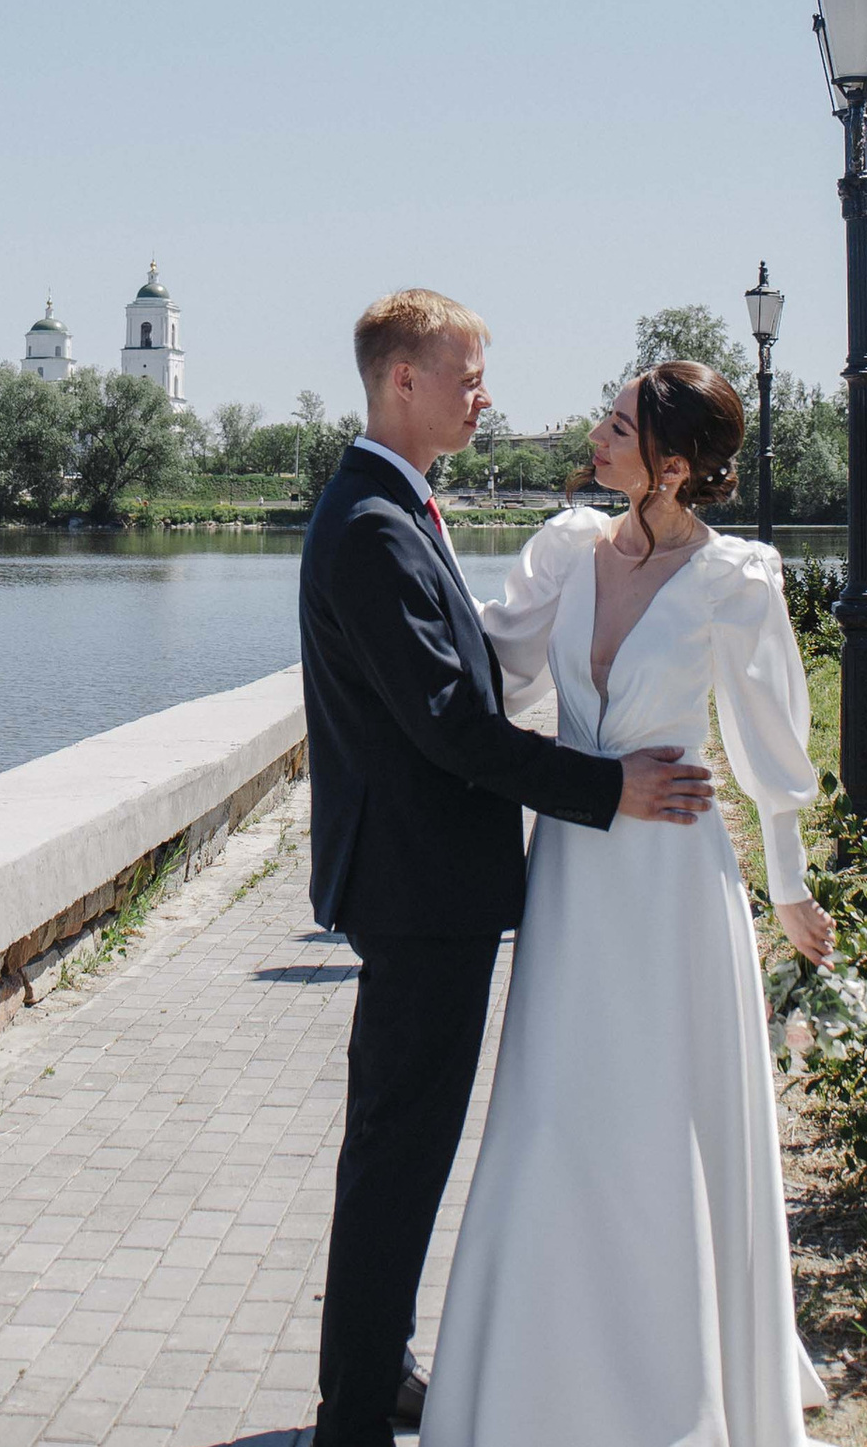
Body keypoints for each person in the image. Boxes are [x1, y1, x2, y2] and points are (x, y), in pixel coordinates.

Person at [298, 292, 717, 1447]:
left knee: (400, 1144)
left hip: (421, 884)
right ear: (402, 383)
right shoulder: (375, 523)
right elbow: (446, 721)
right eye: (467, 374)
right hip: (417, 890)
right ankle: (351, 1413)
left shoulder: (392, 503)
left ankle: (374, 1367)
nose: (485, 393)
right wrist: (602, 787)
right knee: (398, 1152)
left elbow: (468, 679)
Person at [419, 359, 833, 1447]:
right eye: (603, 417)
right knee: (557, 1110)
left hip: (671, 884)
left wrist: (788, 886)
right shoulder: (565, 550)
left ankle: (678, 1393)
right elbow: (489, 667)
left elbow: (769, 744)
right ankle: (534, 1382)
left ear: (676, 465)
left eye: (619, 425)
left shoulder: (734, 582)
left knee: (662, 1118)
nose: (597, 435)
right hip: (570, 868)